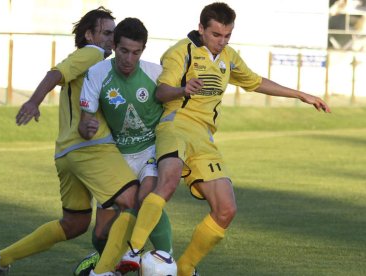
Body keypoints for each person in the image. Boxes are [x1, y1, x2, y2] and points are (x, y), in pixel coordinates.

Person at [120, 2, 332, 276]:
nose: (221, 41)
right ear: (201, 29)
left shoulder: (229, 57)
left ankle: (186, 268)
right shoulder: (179, 52)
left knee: (226, 209)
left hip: (204, 138)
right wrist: (184, 89)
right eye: (216, 35)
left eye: (227, 35)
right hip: (176, 127)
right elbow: (161, 93)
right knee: (168, 182)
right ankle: (133, 251)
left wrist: (301, 95)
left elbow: (255, 81)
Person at [0, 7, 140, 275]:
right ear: (89, 34)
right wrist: (33, 101)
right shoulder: (93, 54)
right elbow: (55, 73)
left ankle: (2, 258)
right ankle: (104, 270)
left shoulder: (96, 64)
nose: (113, 39)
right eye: (107, 32)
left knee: (74, 224)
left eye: (115, 33)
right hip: (91, 149)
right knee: (134, 200)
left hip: (66, 154)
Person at [77, 17, 172, 276]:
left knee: (147, 199)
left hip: (150, 152)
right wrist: (87, 128)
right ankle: (113, 259)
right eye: (124, 51)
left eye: (136, 52)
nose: (129, 58)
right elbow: (85, 122)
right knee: (100, 234)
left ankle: (170, 262)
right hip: (116, 156)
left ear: (143, 50)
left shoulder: (156, 74)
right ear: (114, 46)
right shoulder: (98, 73)